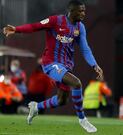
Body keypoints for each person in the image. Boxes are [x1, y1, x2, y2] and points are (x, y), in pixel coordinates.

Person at [3, 0, 103, 133]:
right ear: (71, 11)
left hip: (66, 65)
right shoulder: (55, 21)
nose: (83, 13)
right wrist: (17, 29)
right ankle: (82, 119)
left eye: (84, 10)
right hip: (51, 63)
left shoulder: (80, 27)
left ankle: (36, 106)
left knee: (62, 100)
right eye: (80, 11)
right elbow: (35, 26)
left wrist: (94, 64)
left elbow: (85, 48)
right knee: (76, 83)